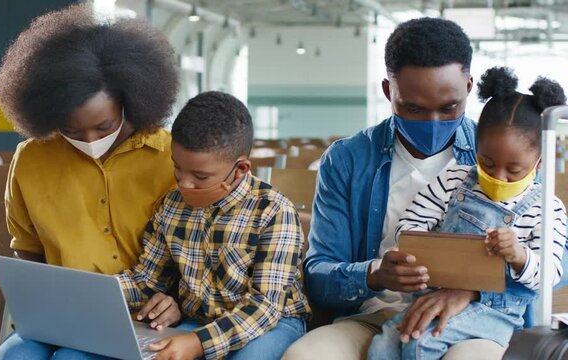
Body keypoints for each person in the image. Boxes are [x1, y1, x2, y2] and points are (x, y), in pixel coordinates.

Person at [283, 17, 506, 359]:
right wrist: (373, 274)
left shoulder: (497, 152)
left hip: (468, 320)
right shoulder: (348, 160)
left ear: (468, 87)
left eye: (449, 108)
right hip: (373, 316)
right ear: (389, 91)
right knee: (305, 356)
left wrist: (470, 294)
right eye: (413, 108)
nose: (433, 123)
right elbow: (318, 273)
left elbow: (551, 261)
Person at [0, 4, 179, 359]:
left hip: (145, 316)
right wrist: (26, 289)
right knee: (11, 357)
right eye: (71, 130)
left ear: (130, 101)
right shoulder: (31, 160)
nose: (90, 139)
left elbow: (196, 254)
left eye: (104, 126)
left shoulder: (172, 158)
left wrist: (175, 301)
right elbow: (27, 247)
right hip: (60, 316)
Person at [367, 67, 568, 359]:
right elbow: (411, 224)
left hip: (495, 310)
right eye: (487, 164)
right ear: (476, 151)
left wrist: (518, 255)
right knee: (382, 346)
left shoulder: (547, 208)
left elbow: (550, 274)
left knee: (420, 343)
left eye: (514, 171)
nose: (499, 177)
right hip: (433, 293)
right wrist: (421, 247)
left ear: (537, 164)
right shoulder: (453, 180)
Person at [117, 91, 311, 360]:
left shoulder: (273, 210)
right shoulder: (170, 206)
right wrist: (101, 292)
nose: (184, 183)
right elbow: (147, 281)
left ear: (240, 169)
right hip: (197, 320)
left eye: (200, 176)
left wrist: (198, 342)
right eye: (177, 168)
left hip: (272, 323)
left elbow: (264, 307)